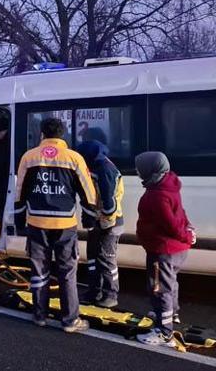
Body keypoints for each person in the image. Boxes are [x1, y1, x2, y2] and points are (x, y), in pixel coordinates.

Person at [15, 117, 96, 333]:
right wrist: (89, 218)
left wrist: (18, 218)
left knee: (39, 270)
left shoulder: (29, 157)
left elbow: (20, 191)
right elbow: (88, 192)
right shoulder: (74, 158)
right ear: (63, 135)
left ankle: (39, 315)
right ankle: (70, 321)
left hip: (37, 223)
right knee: (67, 272)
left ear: (42, 134)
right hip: (65, 224)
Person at [134, 152, 196, 348]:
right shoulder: (169, 184)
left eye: (139, 169)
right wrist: (189, 229)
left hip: (163, 250)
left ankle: (164, 332)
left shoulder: (156, 196)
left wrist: (186, 234)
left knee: (160, 288)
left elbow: (170, 225)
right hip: (175, 250)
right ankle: (171, 313)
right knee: (170, 283)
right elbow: (181, 213)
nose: (137, 172)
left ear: (150, 171)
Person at [76, 140, 125, 308]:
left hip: (110, 223)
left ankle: (111, 295)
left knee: (106, 259)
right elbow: (90, 197)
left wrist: (104, 219)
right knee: (92, 258)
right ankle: (93, 291)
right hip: (99, 221)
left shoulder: (104, 169)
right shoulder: (97, 166)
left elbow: (108, 202)